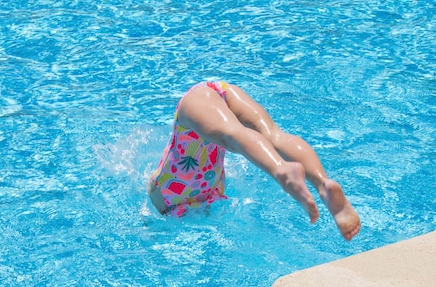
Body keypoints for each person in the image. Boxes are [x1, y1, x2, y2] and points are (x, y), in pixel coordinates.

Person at [147, 80, 361, 241]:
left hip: (192, 106)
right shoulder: (207, 196)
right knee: (273, 135)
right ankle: (323, 183)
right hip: (216, 91)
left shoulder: (178, 202)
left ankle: (282, 170)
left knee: (234, 136)